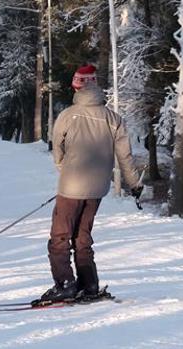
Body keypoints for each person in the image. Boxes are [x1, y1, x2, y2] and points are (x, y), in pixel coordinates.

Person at [41, 64, 142, 303]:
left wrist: (64, 169)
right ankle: (89, 284)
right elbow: (125, 156)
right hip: (97, 189)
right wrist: (134, 184)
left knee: (60, 237)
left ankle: (65, 284)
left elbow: (57, 149)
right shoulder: (113, 118)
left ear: (79, 88)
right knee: (83, 236)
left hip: (71, 187)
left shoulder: (68, 114)